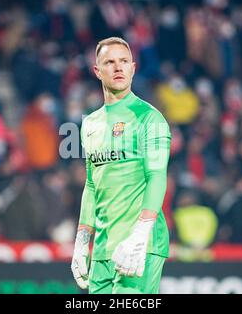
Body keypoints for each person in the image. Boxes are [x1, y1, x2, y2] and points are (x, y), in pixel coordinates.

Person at [71, 37, 171, 294]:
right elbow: (92, 185)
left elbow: (157, 177)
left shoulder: (150, 118)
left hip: (139, 246)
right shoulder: (90, 124)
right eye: (110, 62)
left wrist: (140, 235)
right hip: (103, 251)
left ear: (133, 68)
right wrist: (82, 242)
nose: (118, 68)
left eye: (124, 62)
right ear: (97, 71)